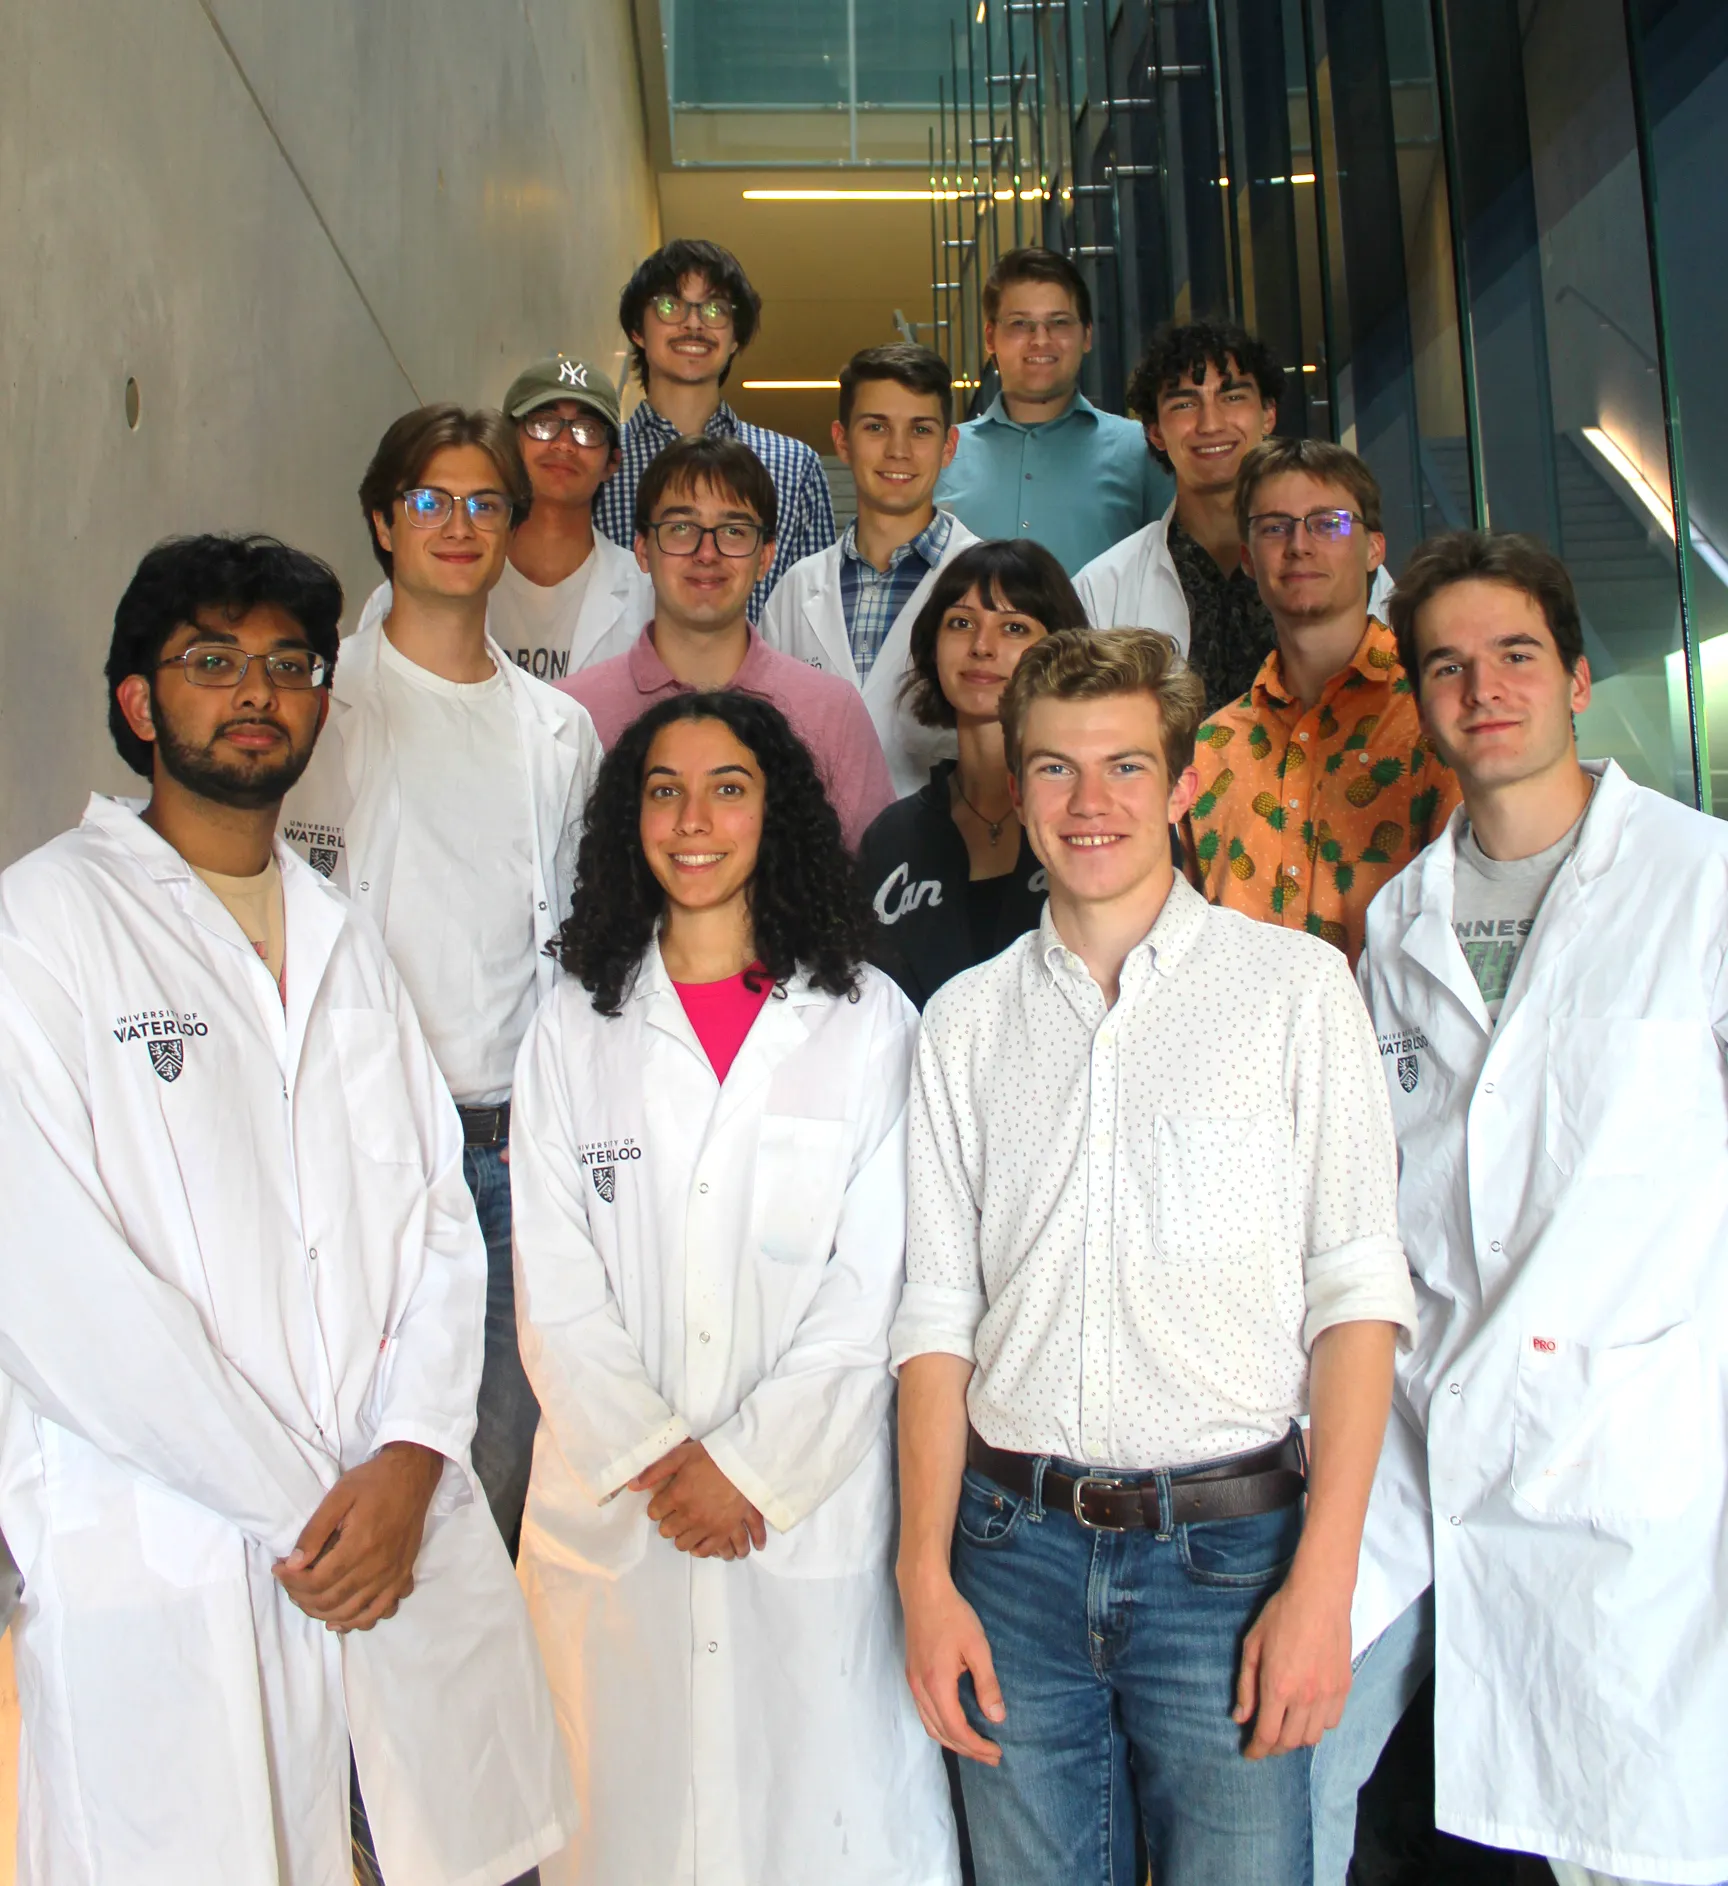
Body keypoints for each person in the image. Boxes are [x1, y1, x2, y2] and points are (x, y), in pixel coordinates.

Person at [0, 533, 575, 1884]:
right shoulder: (43, 927)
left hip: (379, 1509)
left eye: (287, 665)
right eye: (212, 661)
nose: (255, 691)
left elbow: (440, 1223)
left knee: (432, 1840)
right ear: (141, 702)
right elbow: (53, 1284)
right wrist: (313, 1507)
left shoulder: (343, 935)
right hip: (179, 1540)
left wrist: (414, 1456)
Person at [891, 627, 1417, 1886]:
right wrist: (922, 1572)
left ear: (1183, 785)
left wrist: (1324, 1582)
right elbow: (933, 1318)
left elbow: (1356, 1299)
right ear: (1015, 791)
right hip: (1009, 1552)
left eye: (1126, 765)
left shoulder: (1297, 990)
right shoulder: (962, 1023)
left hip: (1230, 1559)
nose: (1091, 803)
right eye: (1057, 770)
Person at [1318, 530, 1728, 1886]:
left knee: (1636, 1832)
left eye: (1513, 657)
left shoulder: (1703, 884)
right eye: (1446, 665)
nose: (1481, 688)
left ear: (1576, 674)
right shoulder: (1397, 921)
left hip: (1631, 1440)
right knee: (1338, 1784)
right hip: (1425, 1433)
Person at [510, 689, 959, 1885]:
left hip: (799, 1509)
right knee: (625, 1824)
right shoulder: (570, 1027)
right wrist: (664, 1457)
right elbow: (553, 1285)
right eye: (663, 789)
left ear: (781, 813)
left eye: (727, 787)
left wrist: (749, 1470)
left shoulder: (868, 1026)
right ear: (627, 821)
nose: (692, 818)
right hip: (624, 1516)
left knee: (817, 1822)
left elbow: (878, 1287)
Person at [282, 403, 603, 1560]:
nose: (458, 524)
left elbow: (576, 952)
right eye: (430, 499)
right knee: (351, 1473)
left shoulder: (557, 732)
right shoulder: (316, 709)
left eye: (484, 502)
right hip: (349, 1143)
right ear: (382, 519)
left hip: (504, 1154)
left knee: (489, 1488)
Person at [1182, 438, 1460, 966]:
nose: (1299, 545)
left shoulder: (1435, 718)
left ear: (1375, 548)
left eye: (1327, 523)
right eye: (1274, 526)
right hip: (1243, 1045)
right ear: (1247, 557)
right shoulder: (1211, 746)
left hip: (1394, 1044)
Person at [559, 434, 894, 849]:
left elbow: (868, 885)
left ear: (765, 557)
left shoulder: (832, 713)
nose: (706, 553)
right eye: (682, 528)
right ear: (643, 550)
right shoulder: (569, 715)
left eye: (733, 531)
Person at [1076, 322, 1396, 712]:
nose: (1210, 424)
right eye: (1184, 404)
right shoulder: (1103, 588)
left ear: (1268, 414)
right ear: (1155, 432)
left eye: (1232, 397)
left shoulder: (1350, 566)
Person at [856, 539, 1085, 1009]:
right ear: (932, 646)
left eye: (1014, 627)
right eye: (961, 623)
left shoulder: (1097, 817)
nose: (982, 647)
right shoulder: (890, 840)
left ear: (1062, 650)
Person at [760, 342, 979, 795]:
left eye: (920, 430)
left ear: (948, 446)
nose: (898, 450)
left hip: (950, 855)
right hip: (817, 854)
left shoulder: (990, 584)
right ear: (841, 440)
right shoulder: (797, 590)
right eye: (876, 427)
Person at [594, 237, 836, 619]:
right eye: (670, 306)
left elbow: (815, 619)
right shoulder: (599, 462)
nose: (693, 323)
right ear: (637, 330)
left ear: (735, 336)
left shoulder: (794, 465)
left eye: (714, 309)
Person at [934, 249, 1172, 577]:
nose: (1040, 340)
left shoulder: (1141, 450)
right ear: (991, 337)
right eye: (1020, 324)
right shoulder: (943, 456)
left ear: (1086, 335)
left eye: (1058, 323)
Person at [490, 352, 653, 682]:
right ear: (505, 444)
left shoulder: (648, 595)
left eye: (587, 430)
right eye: (542, 424)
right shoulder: (442, 573)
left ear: (612, 462)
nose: (564, 445)